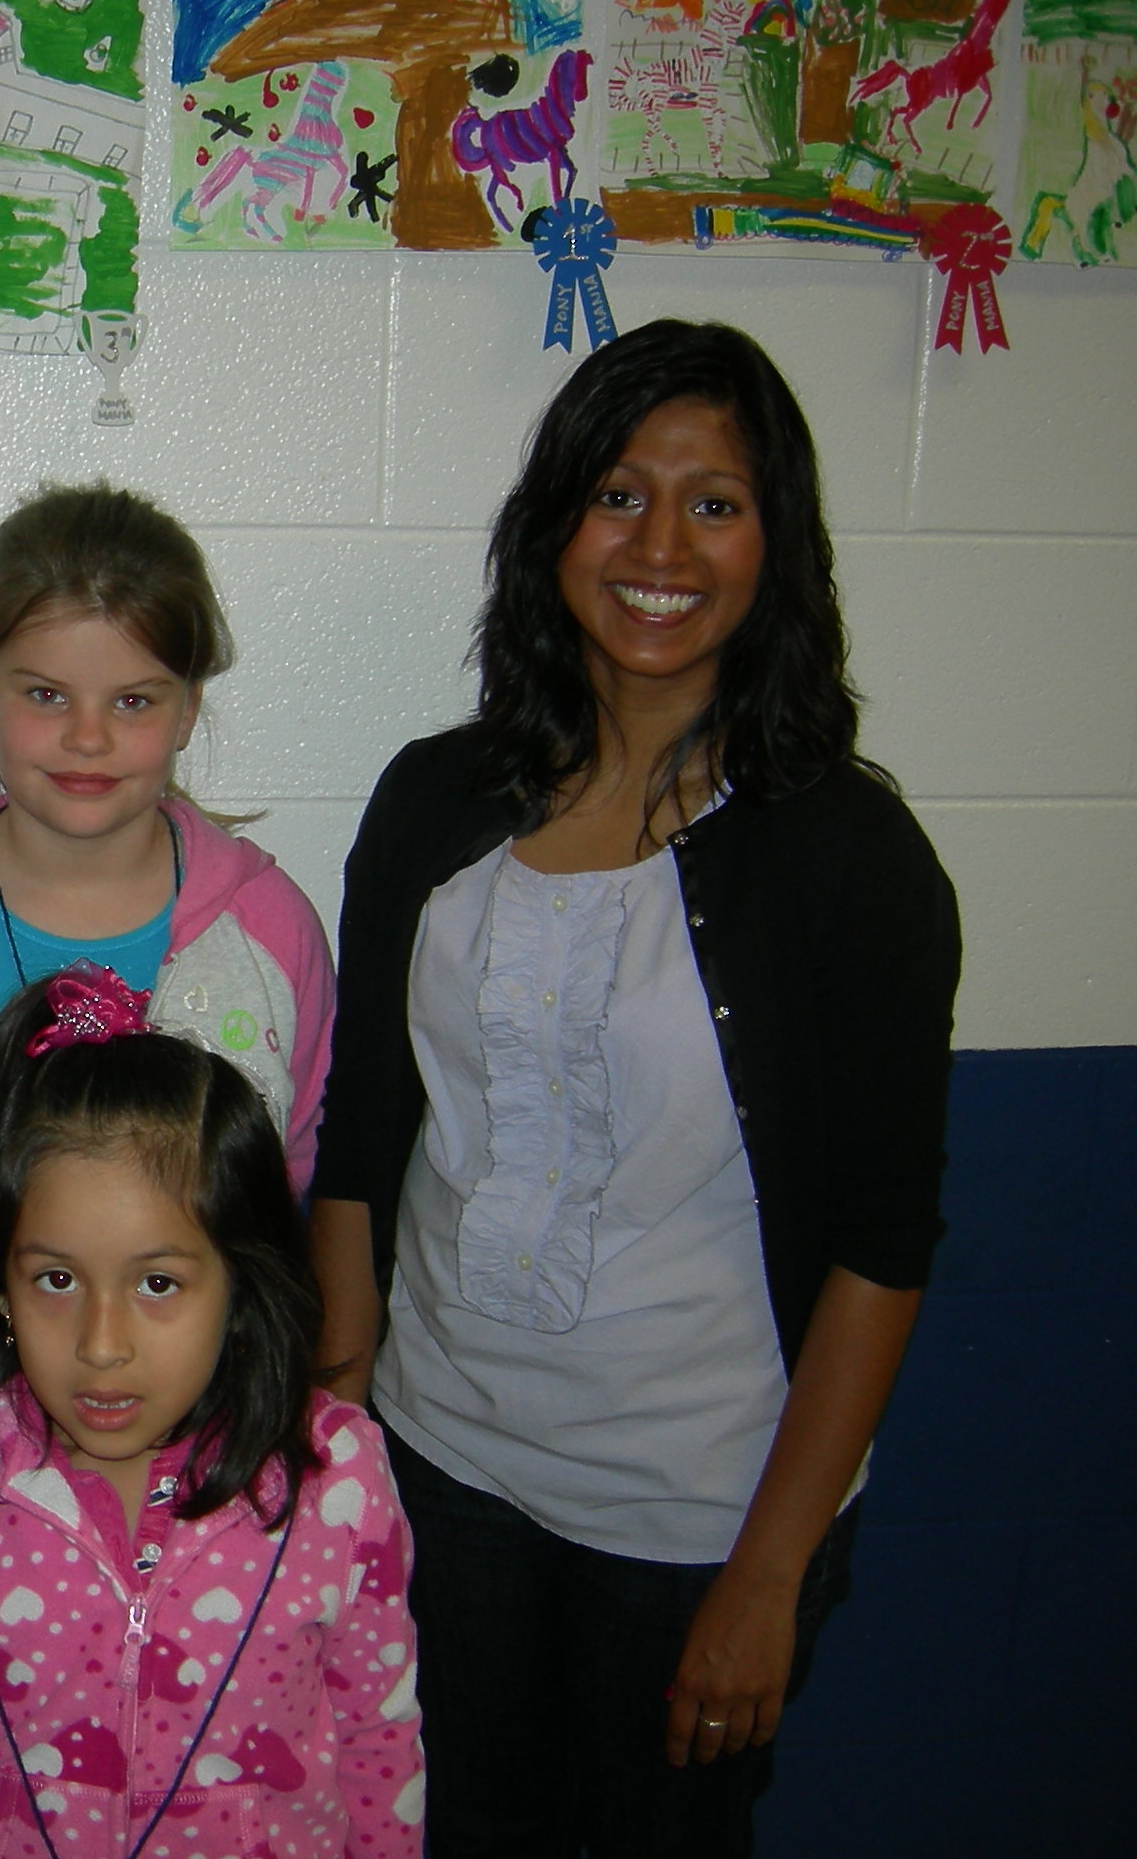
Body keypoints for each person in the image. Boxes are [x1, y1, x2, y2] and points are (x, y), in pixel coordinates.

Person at [308, 319, 961, 1855]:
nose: (661, 546)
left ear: (774, 546)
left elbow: (883, 1247)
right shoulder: (434, 800)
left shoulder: (849, 860)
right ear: (555, 527)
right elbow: (360, 1144)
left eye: (714, 504)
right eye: (619, 495)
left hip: (697, 1519)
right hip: (444, 1469)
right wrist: (342, 1444)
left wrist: (768, 1574)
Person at [0, 968, 421, 1858]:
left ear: (240, 1284)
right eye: (57, 1279)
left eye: (158, 1284)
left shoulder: (337, 1483)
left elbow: (380, 1748)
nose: (102, 1344)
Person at [0, 483, 334, 1458]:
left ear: (188, 708)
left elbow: (276, 1183)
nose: (88, 738)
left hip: (194, 1449)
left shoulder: (269, 935)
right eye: (45, 695)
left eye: (133, 700)